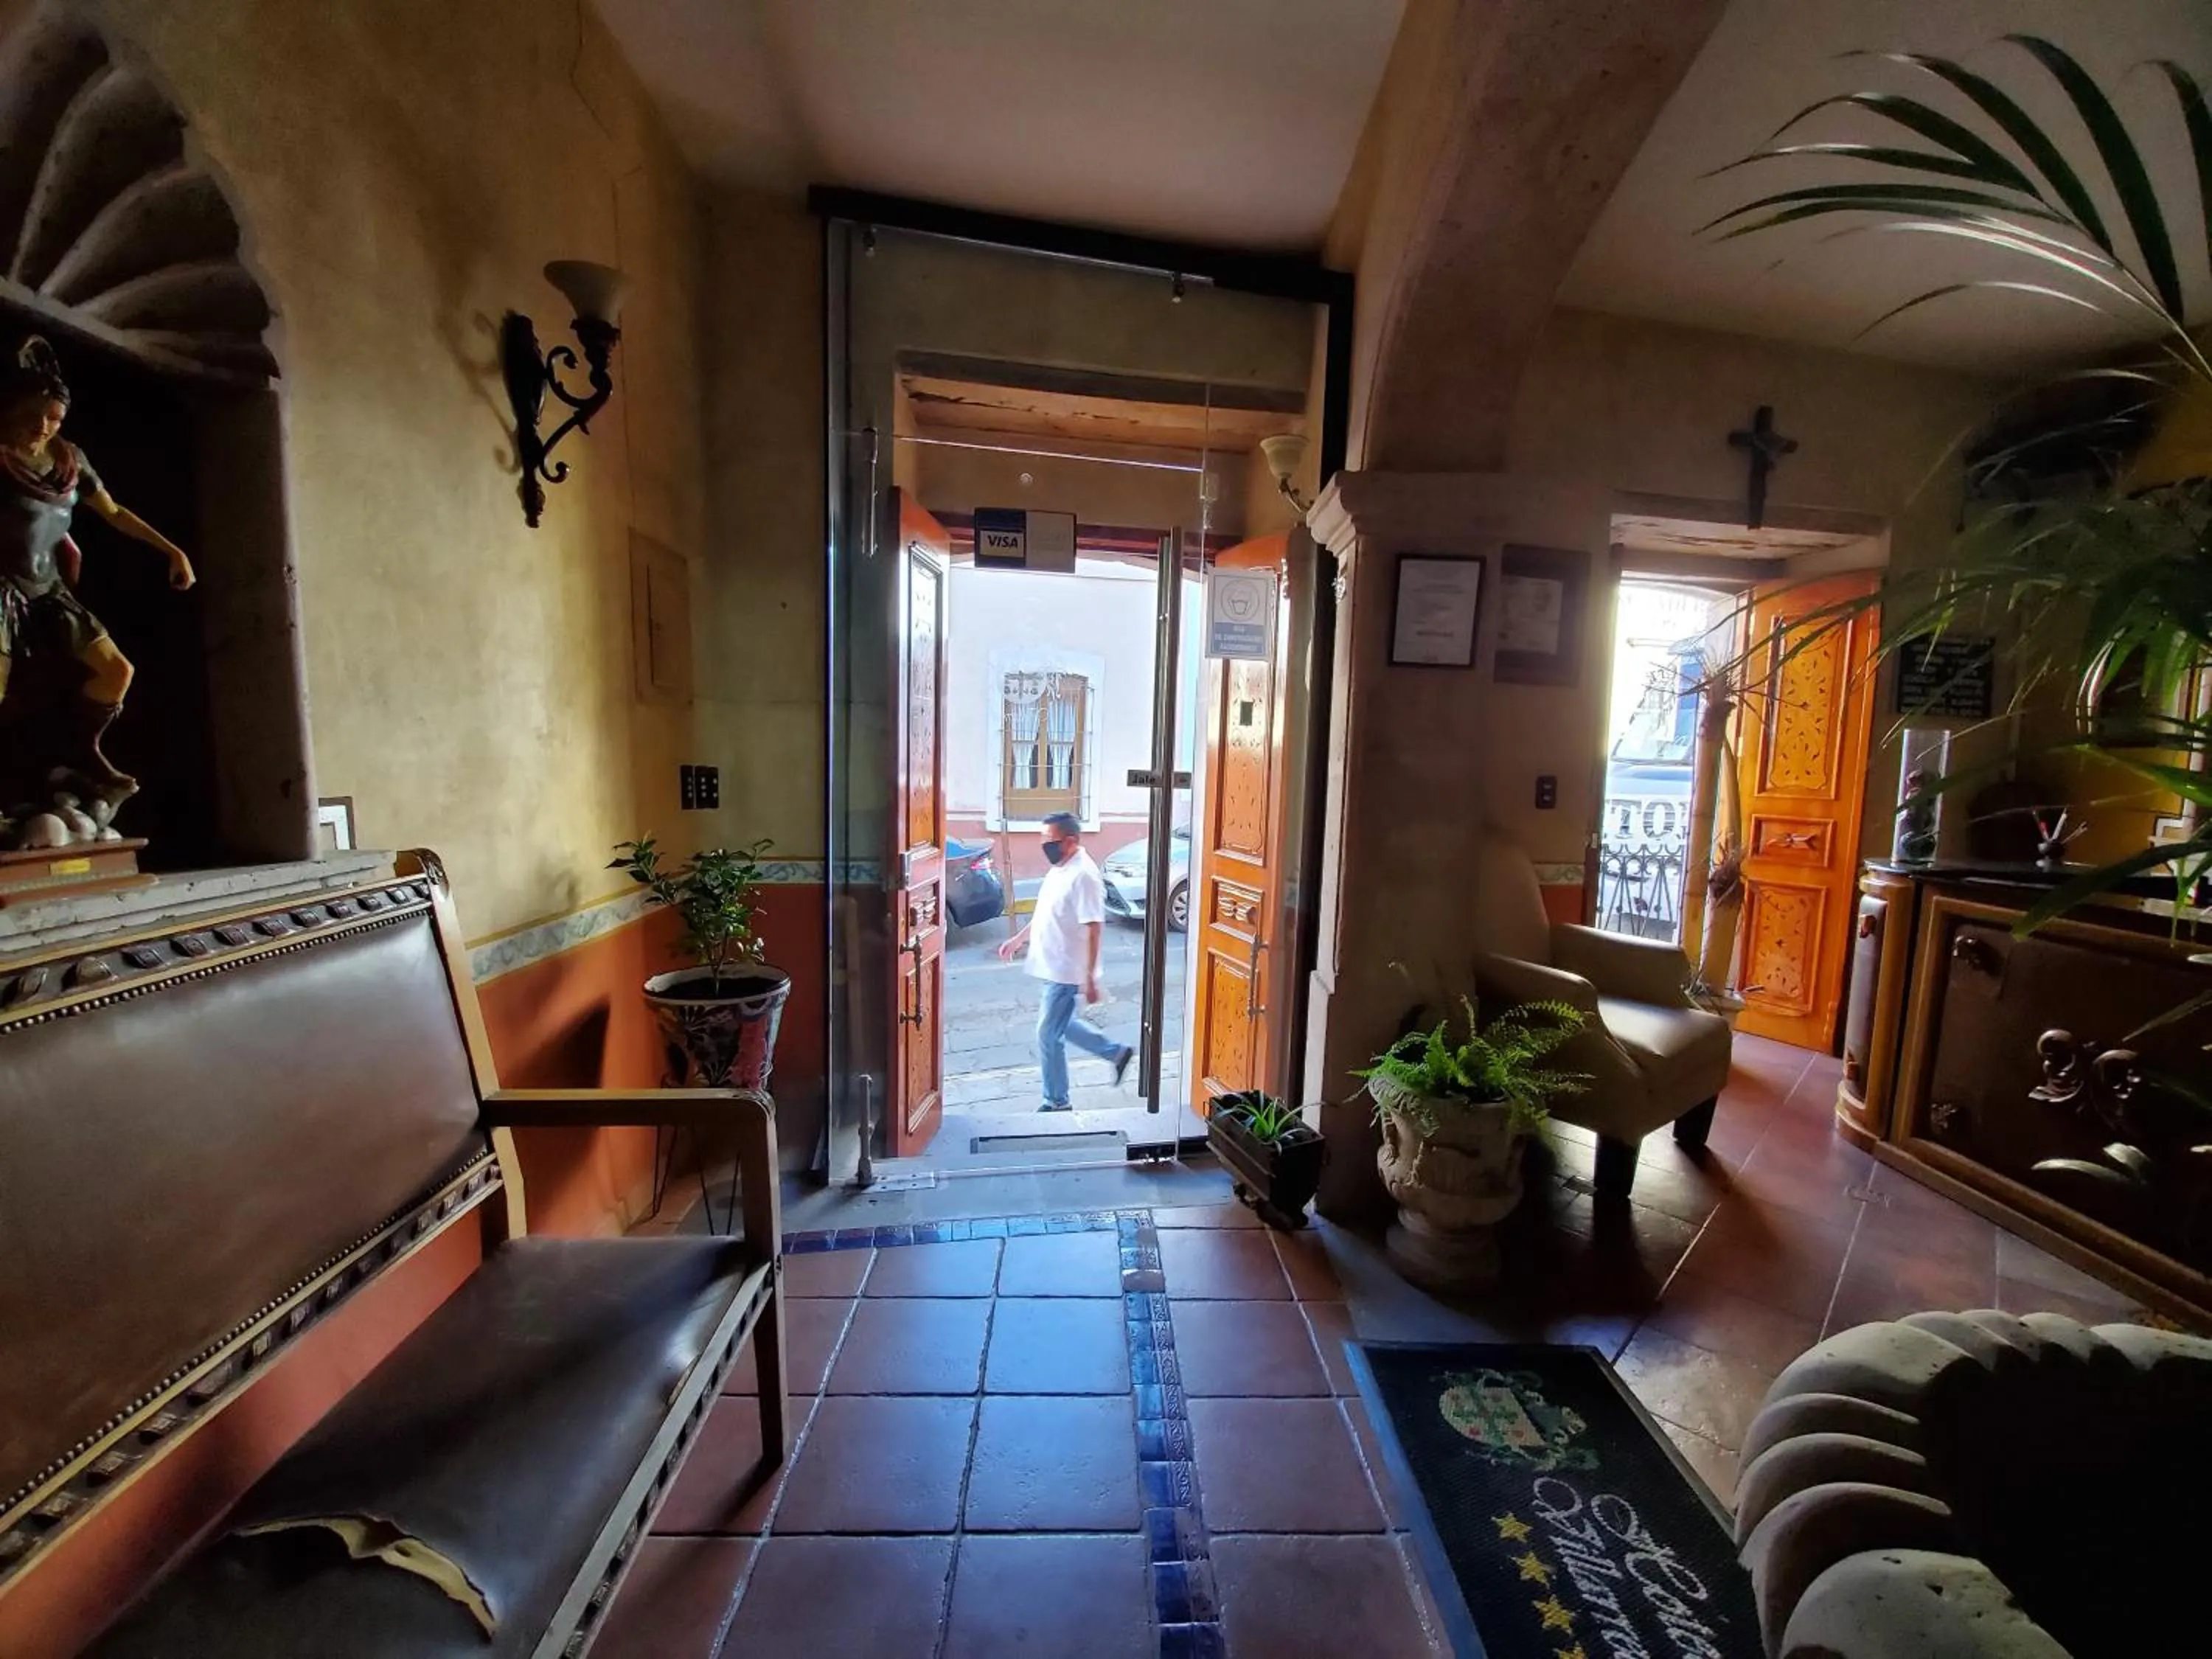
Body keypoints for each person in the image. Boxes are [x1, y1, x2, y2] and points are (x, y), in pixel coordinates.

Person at [0, 336, 195, 811]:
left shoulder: (69, 459)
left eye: (54, 419)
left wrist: (172, 551)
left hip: (49, 590)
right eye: (33, 415)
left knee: (115, 670)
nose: (43, 427)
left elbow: (113, 512)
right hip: (2, 587)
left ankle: (80, 750)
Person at [997, 810, 1135, 1112]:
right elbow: (1046, 913)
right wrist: (1019, 939)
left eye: (1050, 840)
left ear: (1070, 841)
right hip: (1051, 964)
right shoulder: (1061, 866)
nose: (1044, 845)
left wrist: (1089, 978)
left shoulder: (1083, 876)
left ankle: (1056, 1101)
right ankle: (1116, 1053)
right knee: (1063, 1024)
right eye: (1043, 838)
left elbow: (1094, 926)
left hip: (1066, 970)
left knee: (1048, 1034)